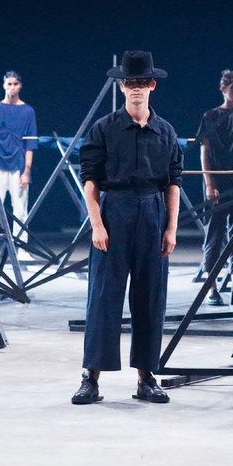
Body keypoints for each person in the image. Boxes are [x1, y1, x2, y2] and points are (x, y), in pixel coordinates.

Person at [72, 51, 181, 405]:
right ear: (121, 86)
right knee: (103, 296)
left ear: (152, 85)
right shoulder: (104, 129)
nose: (136, 88)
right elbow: (90, 180)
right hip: (114, 212)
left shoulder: (165, 132)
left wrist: (171, 228)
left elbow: (173, 183)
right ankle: (90, 378)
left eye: (142, 82)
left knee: (150, 298)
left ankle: (146, 378)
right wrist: (97, 224)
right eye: (130, 82)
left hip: (152, 212)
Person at [195, 69, 233, 305]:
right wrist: (210, 183)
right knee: (216, 235)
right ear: (223, 89)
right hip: (219, 185)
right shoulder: (211, 116)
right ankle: (212, 287)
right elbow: (205, 151)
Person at [0, 70, 38, 252]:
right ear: (4, 85)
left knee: (20, 209)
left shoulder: (28, 111)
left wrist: (27, 171)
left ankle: (20, 248)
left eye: (15, 84)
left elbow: (30, 144)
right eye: (9, 84)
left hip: (19, 166)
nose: (12, 87)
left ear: (20, 86)